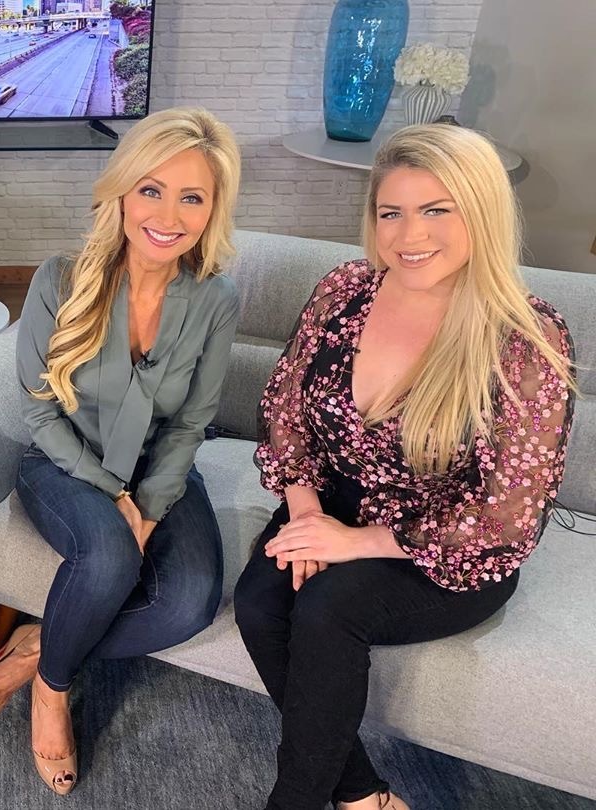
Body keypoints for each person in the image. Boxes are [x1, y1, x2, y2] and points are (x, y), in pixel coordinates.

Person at [233, 124, 576, 810]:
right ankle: (363, 795)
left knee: (327, 608)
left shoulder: (524, 338)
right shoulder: (345, 290)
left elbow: (504, 518)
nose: (409, 234)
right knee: (259, 602)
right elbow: (286, 407)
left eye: (436, 209)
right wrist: (306, 512)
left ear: (481, 211)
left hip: (446, 546)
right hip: (330, 504)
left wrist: (355, 543)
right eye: (392, 212)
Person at [0, 107, 242, 795]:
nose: (168, 216)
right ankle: (53, 691)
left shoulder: (216, 299)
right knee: (112, 554)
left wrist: (149, 504)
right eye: (151, 189)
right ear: (120, 191)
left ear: (213, 209)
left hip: (160, 470)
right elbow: (38, 410)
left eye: (192, 197)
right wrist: (112, 494)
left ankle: (34, 649)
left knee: (190, 603)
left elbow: (192, 422)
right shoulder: (60, 278)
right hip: (65, 463)